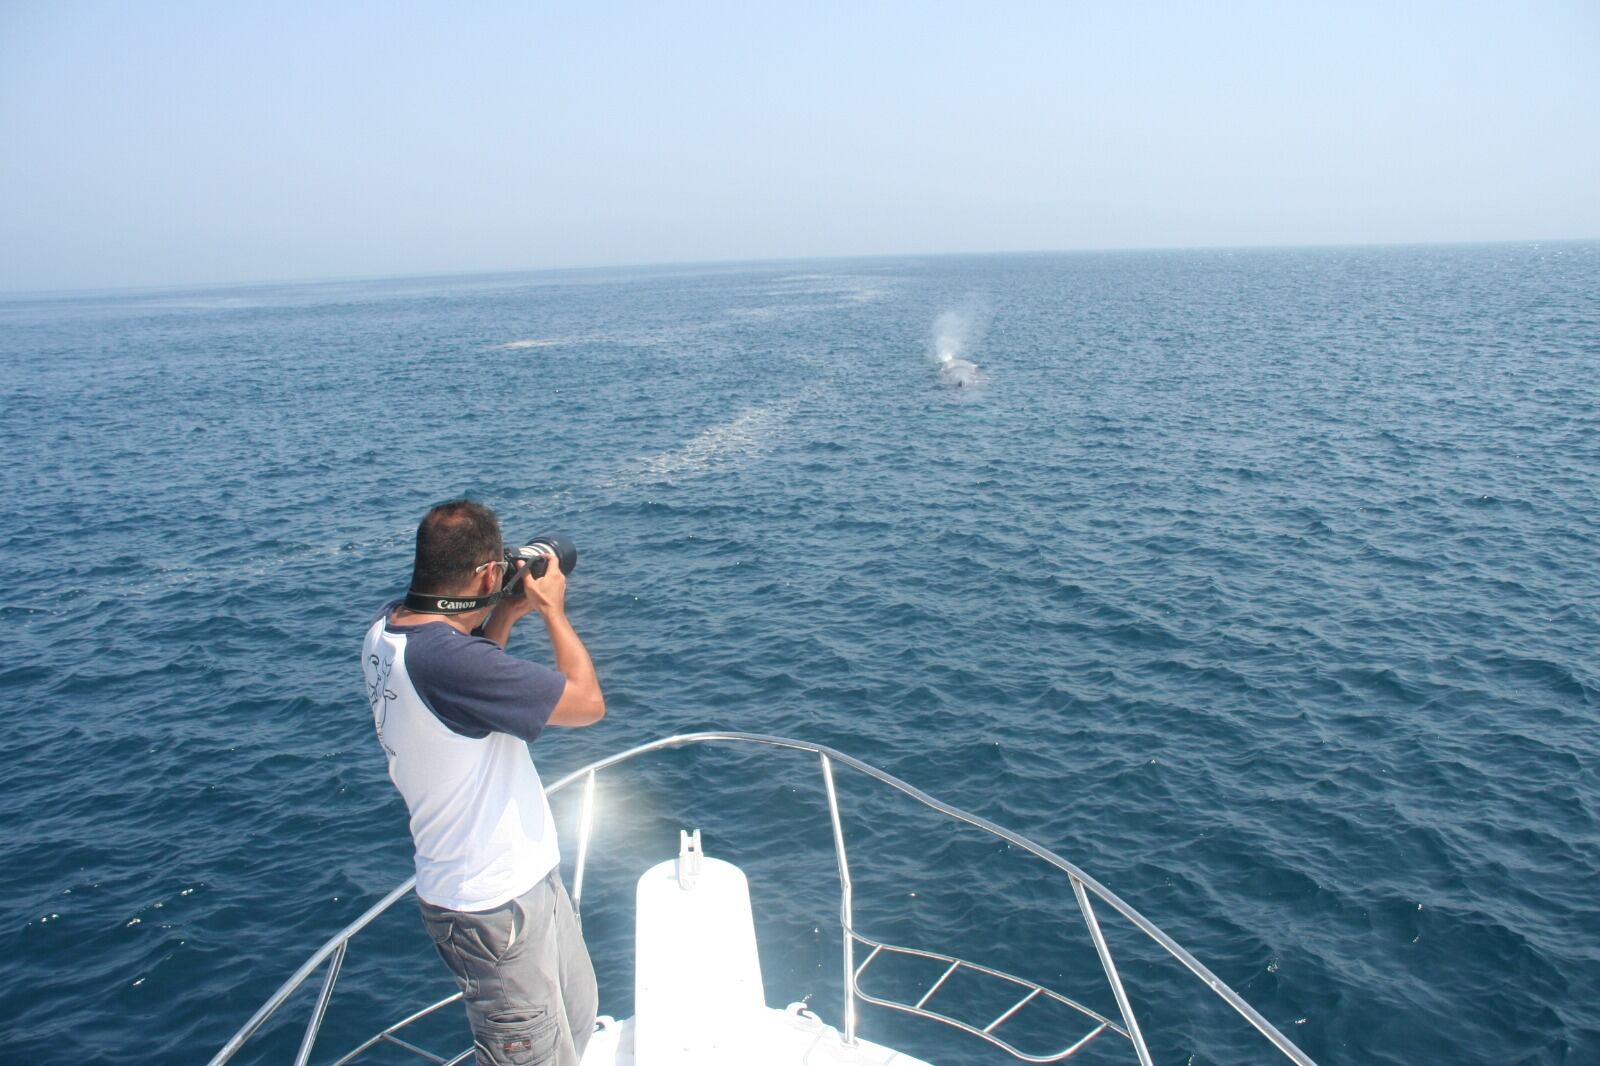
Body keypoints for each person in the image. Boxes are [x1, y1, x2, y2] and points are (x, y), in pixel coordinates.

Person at [362, 499, 605, 1066]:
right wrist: (550, 610)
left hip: (520, 882)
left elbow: (467, 688)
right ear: (486, 573)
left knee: (575, 1018)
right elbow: (588, 704)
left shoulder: (388, 627)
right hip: (489, 910)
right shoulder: (447, 663)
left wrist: (502, 615)